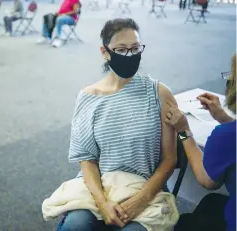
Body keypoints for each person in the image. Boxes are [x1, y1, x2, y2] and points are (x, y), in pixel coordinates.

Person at [57, 18, 178, 231]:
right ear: (105, 52)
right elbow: (87, 160)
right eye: (121, 49)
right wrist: (102, 203)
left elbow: (169, 160)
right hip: (99, 185)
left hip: (144, 186)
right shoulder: (88, 97)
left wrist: (140, 200)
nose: (130, 55)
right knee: (75, 226)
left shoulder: (159, 93)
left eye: (135, 48)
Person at [165, 53, 236, 231]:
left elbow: (208, 181)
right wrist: (225, 119)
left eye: (231, 77)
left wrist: (183, 132)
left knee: (185, 223)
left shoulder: (225, 136)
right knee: (211, 203)